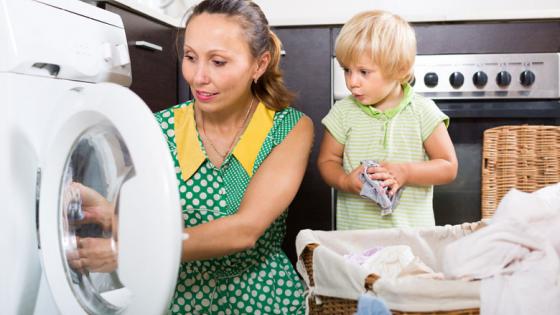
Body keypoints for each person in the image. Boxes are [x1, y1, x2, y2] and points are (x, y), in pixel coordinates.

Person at [154, 0, 313, 314]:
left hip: (264, 298)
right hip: (175, 299)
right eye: (190, 57)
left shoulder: (288, 128)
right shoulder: (158, 129)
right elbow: (134, 215)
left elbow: (245, 230)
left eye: (218, 62)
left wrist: (137, 248)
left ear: (259, 64)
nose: (198, 77)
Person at [317, 10, 457, 230]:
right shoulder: (343, 112)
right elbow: (327, 161)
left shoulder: (422, 110)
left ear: (400, 70)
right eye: (347, 70)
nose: (352, 81)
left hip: (413, 239)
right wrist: (344, 181)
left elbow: (448, 167)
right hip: (356, 241)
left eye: (364, 71)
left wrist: (406, 172)